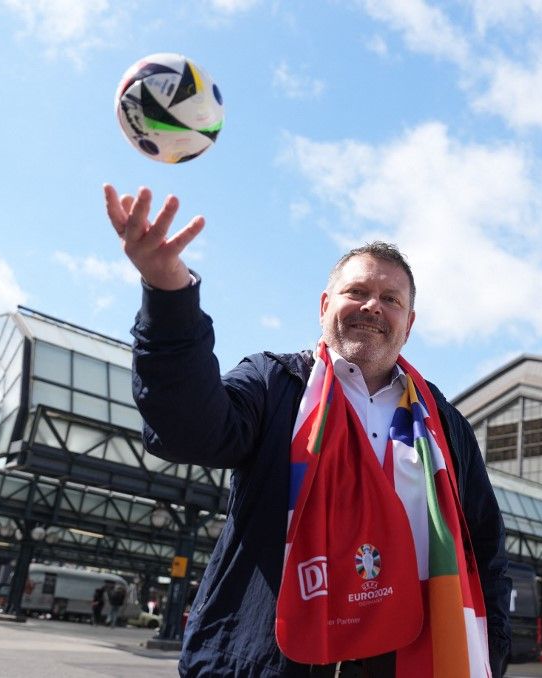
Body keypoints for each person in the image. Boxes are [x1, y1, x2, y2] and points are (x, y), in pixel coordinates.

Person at [103, 185, 511, 677]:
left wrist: (492, 655)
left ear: (410, 322)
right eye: (356, 292)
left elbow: (484, 548)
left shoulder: (446, 427)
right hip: (270, 663)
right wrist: (169, 295)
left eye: (390, 299)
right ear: (324, 306)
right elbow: (187, 430)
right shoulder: (277, 384)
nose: (372, 307)